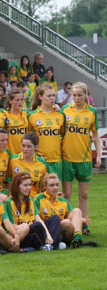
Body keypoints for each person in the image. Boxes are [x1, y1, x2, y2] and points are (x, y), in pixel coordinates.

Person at [60, 82, 101, 236]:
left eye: (79, 95)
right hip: (67, 158)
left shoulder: (92, 112)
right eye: (74, 95)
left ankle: (83, 224)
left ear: (86, 95)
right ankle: (69, 225)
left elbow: (95, 134)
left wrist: (99, 153)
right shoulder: (65, 110)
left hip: (84, 159)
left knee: (83, 194)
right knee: (67, 194)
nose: (76, 98)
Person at [5, 172, 57, 250]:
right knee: (34, 226)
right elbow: (12, 226)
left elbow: (38, 219)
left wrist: (48, 236)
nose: (29, 188)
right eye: (25, 185)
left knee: (54, 219)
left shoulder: (31, 201)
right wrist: (26, 226)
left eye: (30, 185)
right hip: (21, 233)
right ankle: (47, 245)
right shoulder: (9, 202)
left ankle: (52, 244)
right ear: (17, 186)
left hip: (33, 231)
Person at [35, 173, 85, 248]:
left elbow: (74, 217)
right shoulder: (39, 198)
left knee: (77, 211)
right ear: (45, 186)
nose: (55, 188)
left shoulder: (63, 201)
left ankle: (78, 239)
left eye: (57, 185)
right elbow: (35, 217)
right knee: (66, 222)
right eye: (52, 185)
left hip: (62, 231)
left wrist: (83, 220)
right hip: (47, 230)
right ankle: (68, 242)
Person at [28, 82, 64, 180]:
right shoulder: (32, 116)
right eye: (49, 96)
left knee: (54, 192)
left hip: (56, 160)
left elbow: (64, 136)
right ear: (40, 97)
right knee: (40, 192)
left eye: (53, 95)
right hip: (40, 160)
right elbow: (28, 139)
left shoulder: (60, 115)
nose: (52, 98)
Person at [8, 133, 49, 198]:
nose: (25, 149)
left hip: (33, 201)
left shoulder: (42, 163)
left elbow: (47, 184)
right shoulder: (13, 160)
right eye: (23, 146)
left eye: (29, 146)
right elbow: (5, 179)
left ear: (36, 147)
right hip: (15, 200)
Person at [5, 88, 28, 155]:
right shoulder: (4, 114)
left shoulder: (26, 114)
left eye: (21, 100)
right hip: (10, 155)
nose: (20, 102)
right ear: (10, 101)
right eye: (17, 100)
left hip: (24, 154)